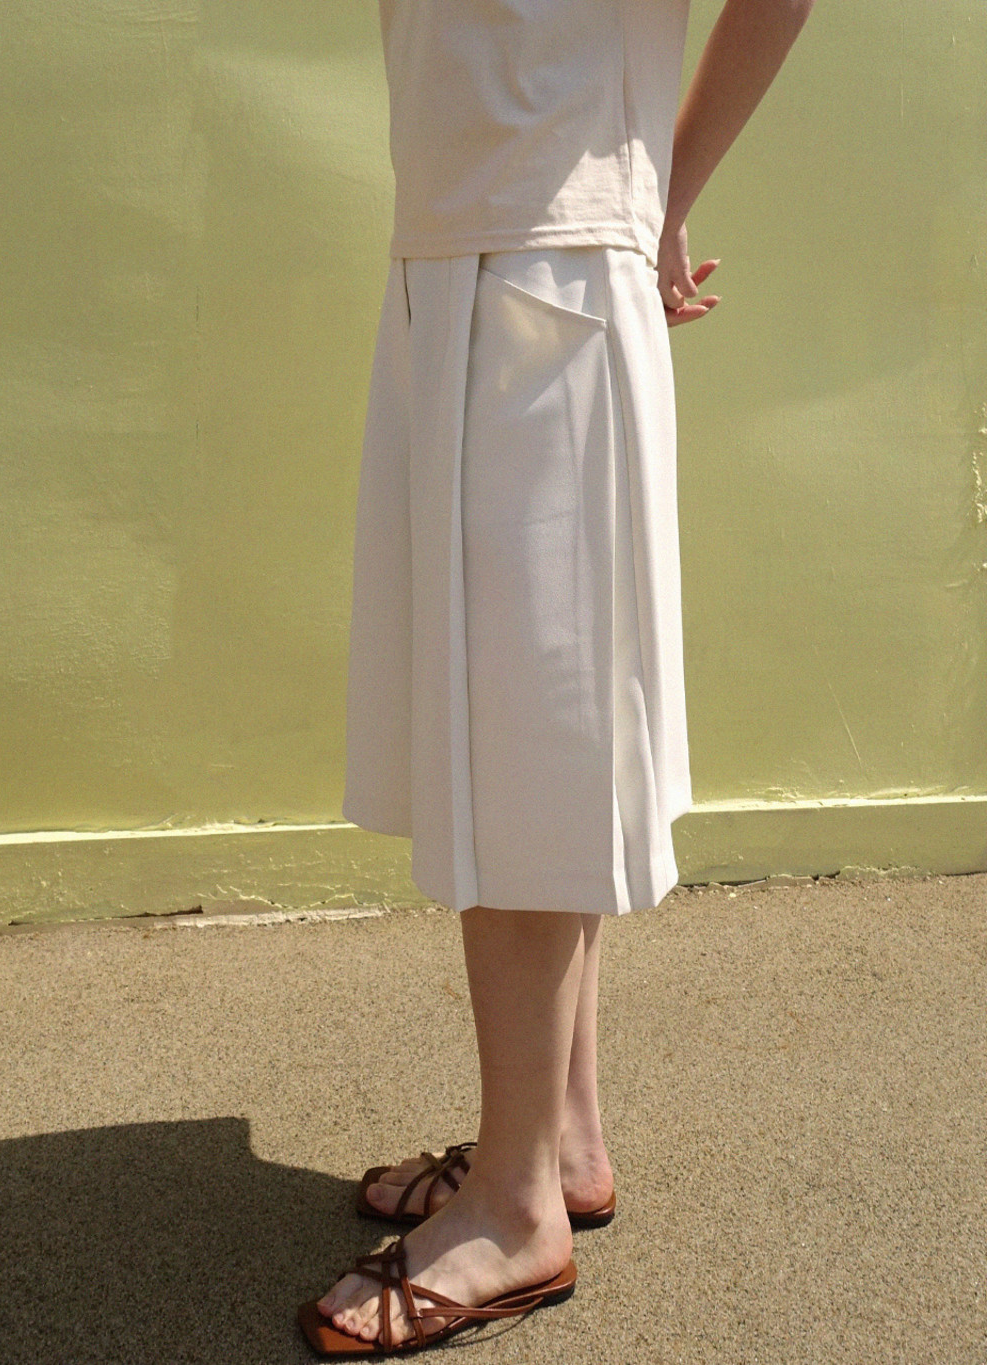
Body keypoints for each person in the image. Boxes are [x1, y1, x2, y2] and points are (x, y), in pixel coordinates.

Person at [299, 0, 815, 1353]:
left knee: (522, 751)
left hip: (541, 281)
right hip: (475, 257)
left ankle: (516, 1210)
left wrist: (656, 196)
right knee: (531, 735)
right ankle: (558, 1138)